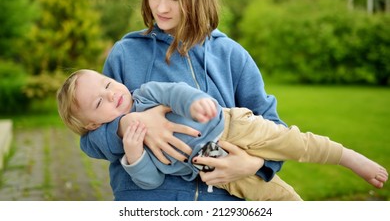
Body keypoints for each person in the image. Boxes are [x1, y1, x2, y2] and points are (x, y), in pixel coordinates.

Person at [79, 0, 300, 201]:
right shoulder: (125, 54)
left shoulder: (231, 55)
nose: (161, 8)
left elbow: (275, 130)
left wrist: (253, 165)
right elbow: (90, 139)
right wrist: (126, 126)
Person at [57, 69, 388, 201]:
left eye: (106, 83)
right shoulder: (123, 144)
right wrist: (134, 157)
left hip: (230, 126)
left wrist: (197, 102)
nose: (111, 92)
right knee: (269, 197)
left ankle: (347, 157)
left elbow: (176, 91)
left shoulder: (144, 94)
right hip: (213, 167)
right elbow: (150, 182)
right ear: (91, 125)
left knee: (293, 142)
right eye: (99, 101)